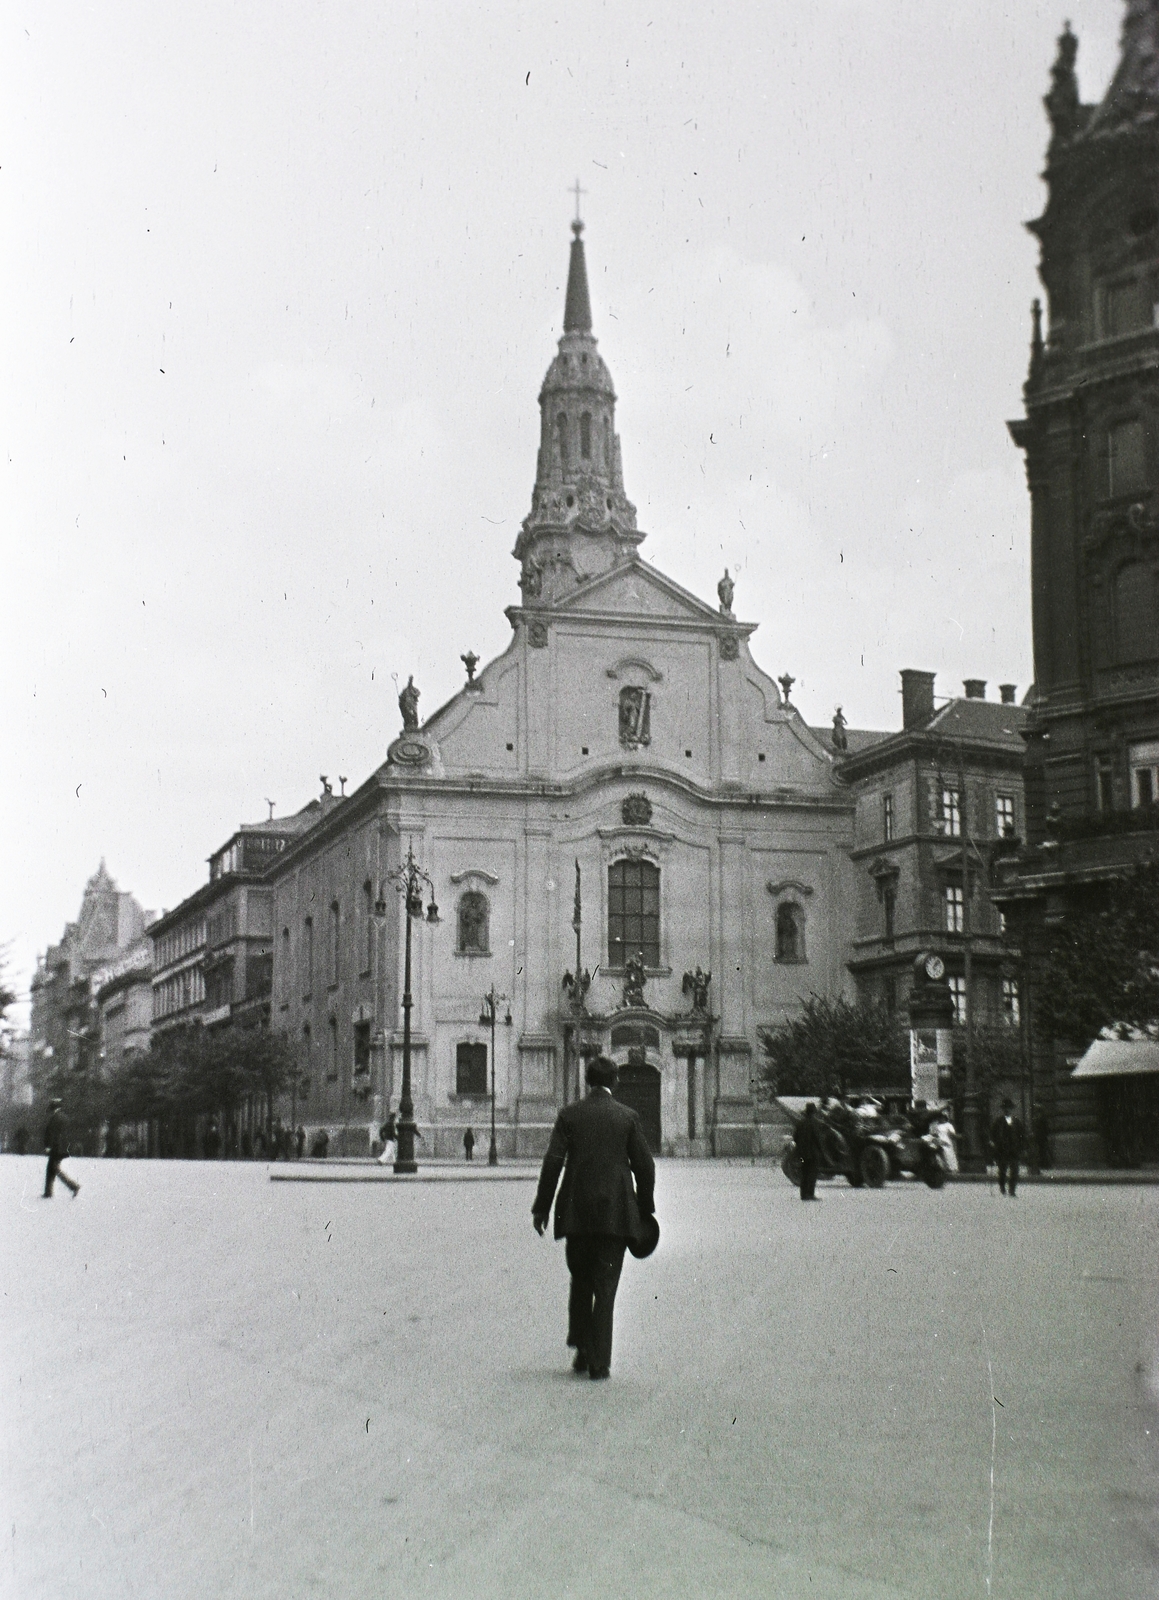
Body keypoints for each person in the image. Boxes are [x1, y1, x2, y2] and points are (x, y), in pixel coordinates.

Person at [532, 1057, 655, 1381]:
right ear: (614, 1081)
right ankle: (600, 1362)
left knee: (581, 1279)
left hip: (577, 1212)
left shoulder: (569, 1114)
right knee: (606, 1286)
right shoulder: (627, 1116)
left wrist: (541, 1207)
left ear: (588, 1081)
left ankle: (583, 1350)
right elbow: (645, 1166)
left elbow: (553, 1162)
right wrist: (645, 1209)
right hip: (616, 1214)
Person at [42, 1098, 80, 1199]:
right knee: (51, 1169)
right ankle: (48, 1192)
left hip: (56, 1148)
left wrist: (49, 1146)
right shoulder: (64, 1117)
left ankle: (73, 1186)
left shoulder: (55, 1118)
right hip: (63, 1147)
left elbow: (52, 1134)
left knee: (54, 1168)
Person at [989, 1098, 1026, 1196]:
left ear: (1011, 1109)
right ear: (1003, 1109)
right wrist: (992, 1142)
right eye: (1005, 1108)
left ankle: (1012, 1190)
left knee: (1014, 1171)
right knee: (1002, 1170)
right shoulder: (998, 1122)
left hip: (1014, 1150)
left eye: (1009, 1108)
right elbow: (992, 1134)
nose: (1007, 1110)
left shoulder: (1017, 1122)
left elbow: (1022, 1135)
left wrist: (1022, 1147)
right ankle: (1002, 1187)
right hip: (1002, 1150)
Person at [792, 1102, 824, 1201]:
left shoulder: (800, 1123)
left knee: (804, 1173)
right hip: (813, 1154)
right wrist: (821, 1150)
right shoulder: (815, 1123)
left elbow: (795, 1137)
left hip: (802, 1154)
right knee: (812, 1174)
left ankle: (803, 1194)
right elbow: (818, 1138)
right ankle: (810, 1194)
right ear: (813, 1112)